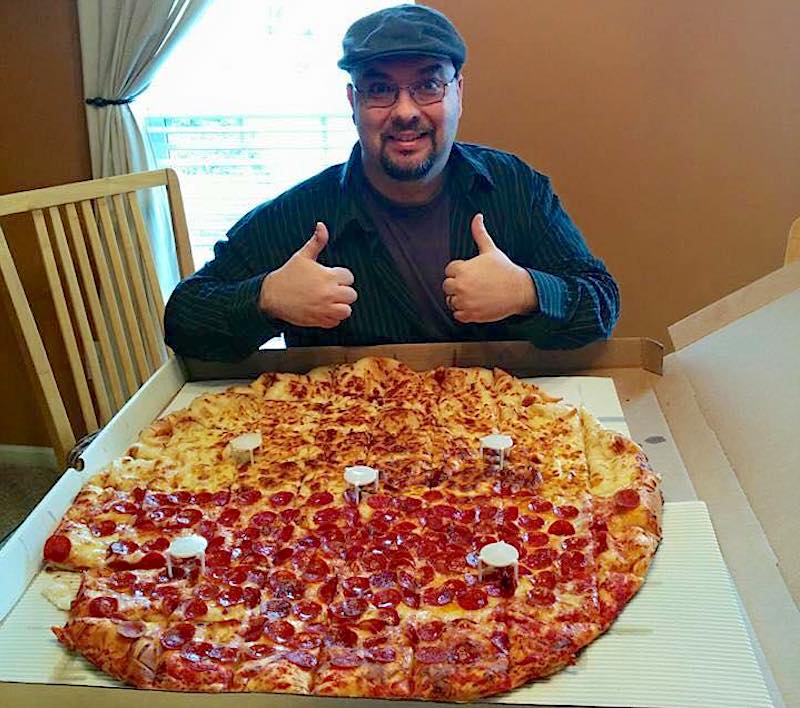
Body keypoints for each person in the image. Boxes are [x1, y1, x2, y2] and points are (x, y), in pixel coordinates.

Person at [164, 4, 619, 362]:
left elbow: (601, 304)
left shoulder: (518, 189)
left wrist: (526, 291)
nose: (405, 111)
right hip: (338, 457)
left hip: (499, 450)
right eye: (380, 89)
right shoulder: (301, 214)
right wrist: (265, 299)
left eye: (428, 86)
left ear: (458, 92)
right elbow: (183, 319)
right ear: (353, 102)